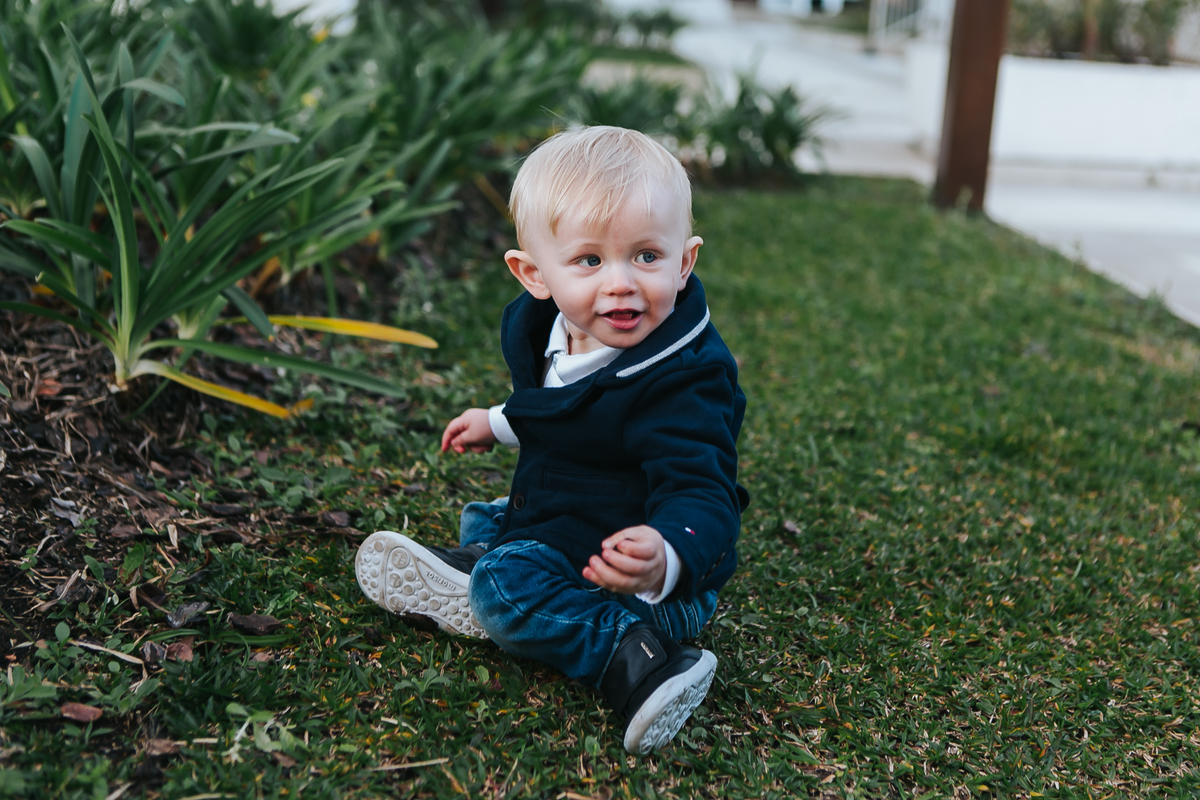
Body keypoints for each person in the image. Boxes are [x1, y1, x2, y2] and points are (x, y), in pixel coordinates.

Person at [355, 125, 748, 754]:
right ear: (534, 274)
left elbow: (704, 491)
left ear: (684, 263)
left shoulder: (683, 380)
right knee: (488, 514)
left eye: (647, 256)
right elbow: (567, 409)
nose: (620, 282)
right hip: (581, 509)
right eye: (590, 261)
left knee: (504, 584)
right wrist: (499, 421)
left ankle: (640, 658)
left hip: (645, 575)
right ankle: (496, 560)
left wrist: (666, 554)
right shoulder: (551, 326)